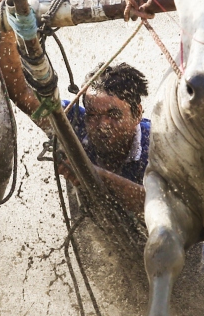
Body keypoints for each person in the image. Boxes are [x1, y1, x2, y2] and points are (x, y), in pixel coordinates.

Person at [62, 62, 151, 213]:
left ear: (137, 114)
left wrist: (94, 174)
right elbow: (27, 96)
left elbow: (168, 205)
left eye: (114, 115)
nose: (102, 125)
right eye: (92, 114)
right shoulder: (72, 123)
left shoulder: (159, 148)